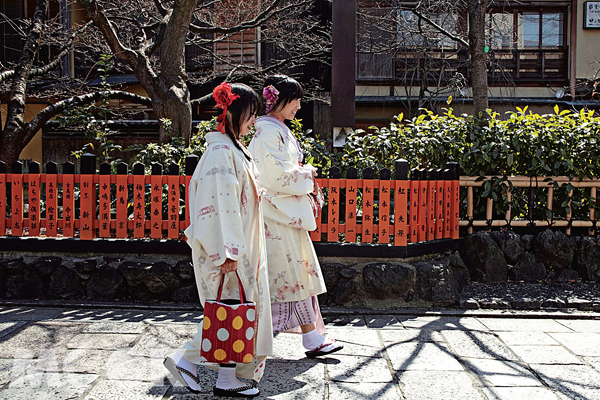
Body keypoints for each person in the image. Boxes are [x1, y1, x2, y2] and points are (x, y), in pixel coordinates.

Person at [164, 82, 272, 398]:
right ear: (234, 112)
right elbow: (219, 206)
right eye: (251, 115)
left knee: (232, 310)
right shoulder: (222, 153)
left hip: (239, 248)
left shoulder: (231, 150)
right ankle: (187, 359)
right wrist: (226, 251)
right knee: (230, 309)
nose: (253, 122)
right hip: (228, 250)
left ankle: (225, 377)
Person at [248, 75, 343, 358]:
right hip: (276, 216)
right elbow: (273, 175)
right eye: (296, 100)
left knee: (294, 275)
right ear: (278, 99)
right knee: (290, 276)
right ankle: (307, 338)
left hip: (284, 214)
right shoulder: (267, 132)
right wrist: (307, 174)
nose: (299, 106)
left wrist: (303, 175)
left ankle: (309, 337)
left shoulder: (275, 129)